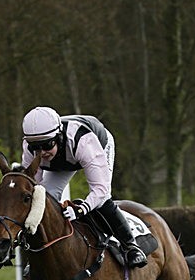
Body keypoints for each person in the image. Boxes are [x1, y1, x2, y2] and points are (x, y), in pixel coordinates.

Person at [21, 106, 148, 268]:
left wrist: (80, 210)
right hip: (64, 157)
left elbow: (100, 190)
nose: (42, 153)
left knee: (102, 200)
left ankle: (131, 246)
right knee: (44, 199)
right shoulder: (29, 148)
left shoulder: (83, 141)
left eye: (47, 145)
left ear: (59, 136)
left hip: (96, 145)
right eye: (36, 147)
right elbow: (33, 187)